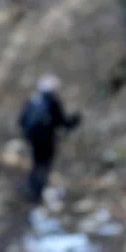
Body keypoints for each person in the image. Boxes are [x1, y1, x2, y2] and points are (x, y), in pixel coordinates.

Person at [17, 74, 81, 203]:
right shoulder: (52, 101)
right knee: (44, 163)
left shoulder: (33, 100)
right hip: (46, 139)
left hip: (33, 138)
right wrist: (75, 121)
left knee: (37, 162)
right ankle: (37, 191)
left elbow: (21, 120)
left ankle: (32, 186)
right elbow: (62, 122)